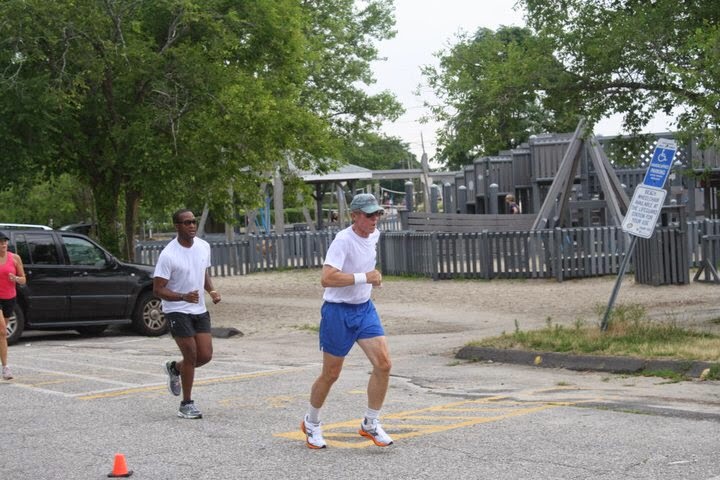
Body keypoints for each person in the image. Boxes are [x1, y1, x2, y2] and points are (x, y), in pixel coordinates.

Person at [301, 193, 393, 449]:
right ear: (354, 216)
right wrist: (366, 277)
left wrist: (371, 279)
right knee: (331, 374)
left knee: (384, 364)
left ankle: (370, 423)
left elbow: (366, 264)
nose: (374, 219)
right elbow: (327, 278)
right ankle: (311, 421)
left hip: (364, 309)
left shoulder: (374, 234)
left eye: (377, 214)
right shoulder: (342, 240)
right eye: (369, 214)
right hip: (337, 312)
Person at [154, 209, 221, 419]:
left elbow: (202, 272)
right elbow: (158, 289)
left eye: (193, 221)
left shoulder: (203, 246)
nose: (192, 225)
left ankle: (175, 368)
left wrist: (211, 290)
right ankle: (186, 404)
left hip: (198, 309)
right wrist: (182, 297)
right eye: (186, 222)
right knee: (191, 355)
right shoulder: (168, 255)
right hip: (177, 310)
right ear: (177, 226)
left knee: (205, 355)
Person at [0, 231, 26, 380]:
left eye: (5, 241)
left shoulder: (15, 258)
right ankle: (6, 368)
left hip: (10, 298)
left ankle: (3, 366)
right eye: (0, 242)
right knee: (3, 331)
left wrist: (15, 278)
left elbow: (23, 279)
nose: (3, 244)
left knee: (1, 334)